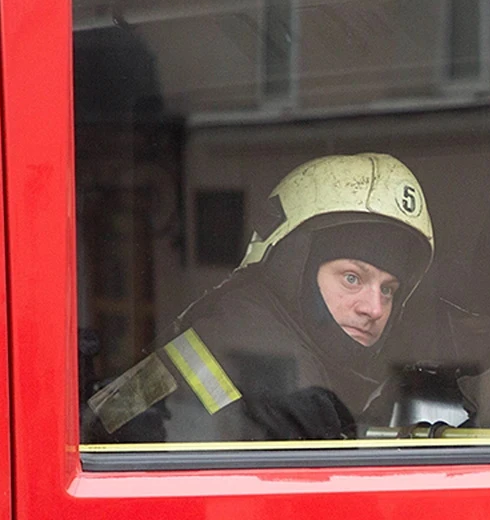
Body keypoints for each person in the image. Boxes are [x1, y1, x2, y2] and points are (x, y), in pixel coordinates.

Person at [86, 152, 434, 443]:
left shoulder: (221, 326)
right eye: (352, 278)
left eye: (388, 290)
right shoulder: (291, 390)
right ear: (292, 267)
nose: (373, 309)